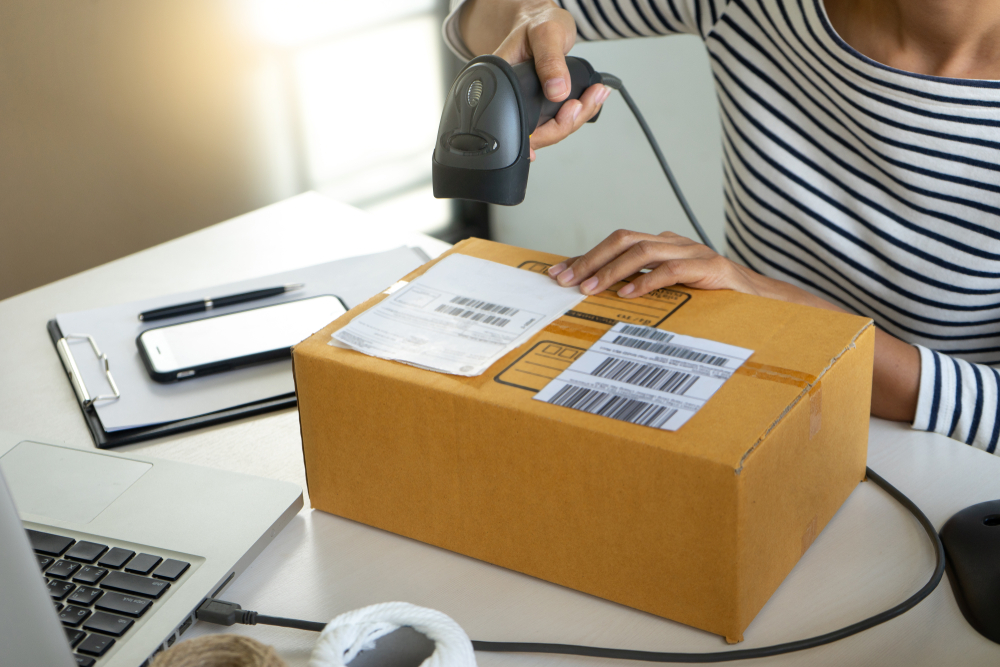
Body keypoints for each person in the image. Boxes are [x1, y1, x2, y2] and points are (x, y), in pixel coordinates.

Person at [444, 0, 1000, 453]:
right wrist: (531, 16)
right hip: (755, 414)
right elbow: (474, 20)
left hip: (945, 478)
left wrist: (776, 305)